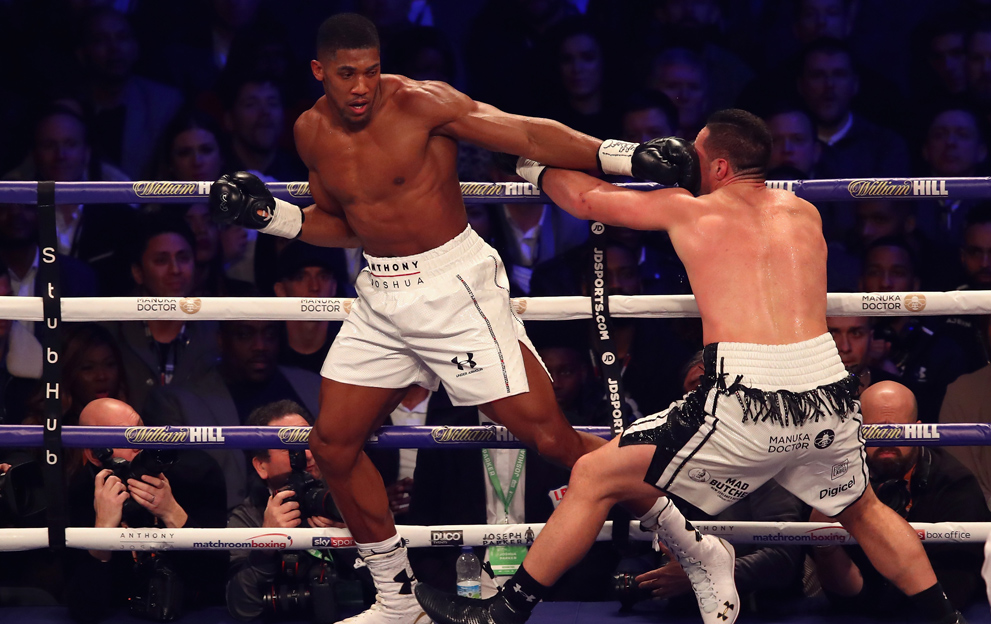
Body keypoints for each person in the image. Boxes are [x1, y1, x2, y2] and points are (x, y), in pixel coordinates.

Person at [208, 12, 690, 624]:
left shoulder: (421, 103)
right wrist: (271, 217)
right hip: (381, 290)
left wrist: (624, 156)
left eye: (372, 71)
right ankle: (397, 599)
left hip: (453, 284)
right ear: (318, 71)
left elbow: (524, 133)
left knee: (553, 440)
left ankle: (692, 543)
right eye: (348, 74)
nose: (362, 87)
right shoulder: (310, 132)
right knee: (331, 446)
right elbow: (345, 223)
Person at [415, 109, 968, 624]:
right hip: (827, 390)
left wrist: (530, 164)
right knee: (863, 509)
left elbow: (585, 200)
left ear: (720, 166)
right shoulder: (805, 212)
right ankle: (948, 618)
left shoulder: (691, 209)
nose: (683, 160)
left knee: (593, 476)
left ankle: (502, 611)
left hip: (748, 396)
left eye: (695, 154)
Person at [813, 381, 991, 617]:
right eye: (875, 430)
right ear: (858, 429)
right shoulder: (840, 482)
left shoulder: (954, 484)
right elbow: (845, 598)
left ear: (918, 430)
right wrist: (826, 544)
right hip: (860, 613)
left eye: (897, 429)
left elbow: (956, 588)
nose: (887, 440)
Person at [64, 398, 227, 622]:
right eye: (125, 437)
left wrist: (172, 513)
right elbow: (83, 610)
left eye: (141, 431)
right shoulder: (82, 491)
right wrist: (102, 531)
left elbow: (217, 580)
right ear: (95, 454)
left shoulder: (196, 473)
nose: (139, 443)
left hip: (194, 613)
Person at [227, 400, 349, 622]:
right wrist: (266, 544)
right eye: (291, 447)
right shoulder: (247, 516)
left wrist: (349, 539)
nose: (307, 454)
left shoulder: (348, 496)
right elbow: (243, 609)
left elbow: (393, 587)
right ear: (261, 466)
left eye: (308, 441)